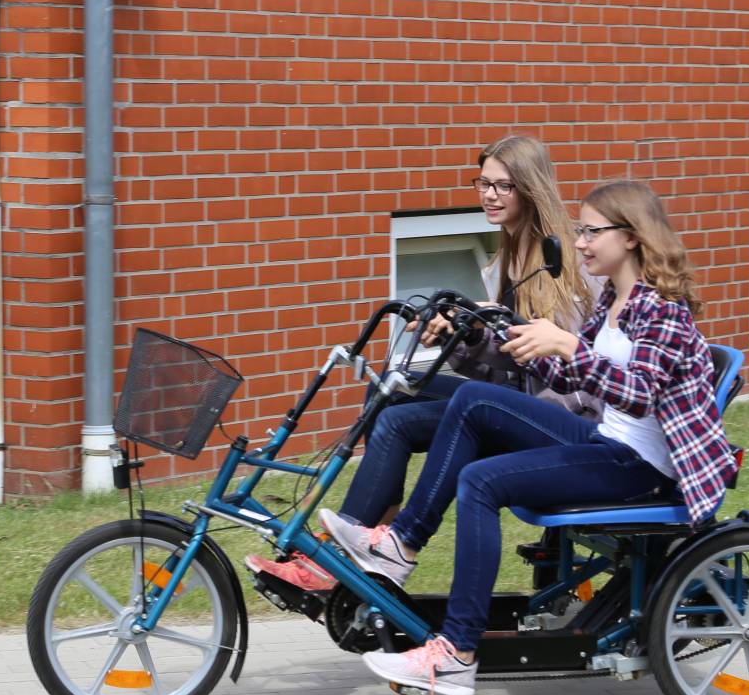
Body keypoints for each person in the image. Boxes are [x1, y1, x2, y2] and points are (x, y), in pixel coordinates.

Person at [320, 180, 738, 695]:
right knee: (472, 402)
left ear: (631, 236)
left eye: (591, 232)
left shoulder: (662, 309)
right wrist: (515, 341)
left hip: (643, 470)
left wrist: (566, 346)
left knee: (479, 481)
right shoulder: (613, 298)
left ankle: (455, 653)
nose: (580, 242)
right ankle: (402, 545)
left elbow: (638, 393)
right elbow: (572, 379)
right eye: (580, 231)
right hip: (607, 442)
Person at [245, 135, 596, 593]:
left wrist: (488, 325)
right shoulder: (502, 261)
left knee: (399, 424)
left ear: (530, 189)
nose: (489, 195)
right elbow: (500, 370)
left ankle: (341, 559)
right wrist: (464, 336)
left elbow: (561, 364)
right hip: (517, 397)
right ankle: (369, 533)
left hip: (556, 416)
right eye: (483, 183)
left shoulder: (567, 262)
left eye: (502, 186)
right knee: (390, 388)